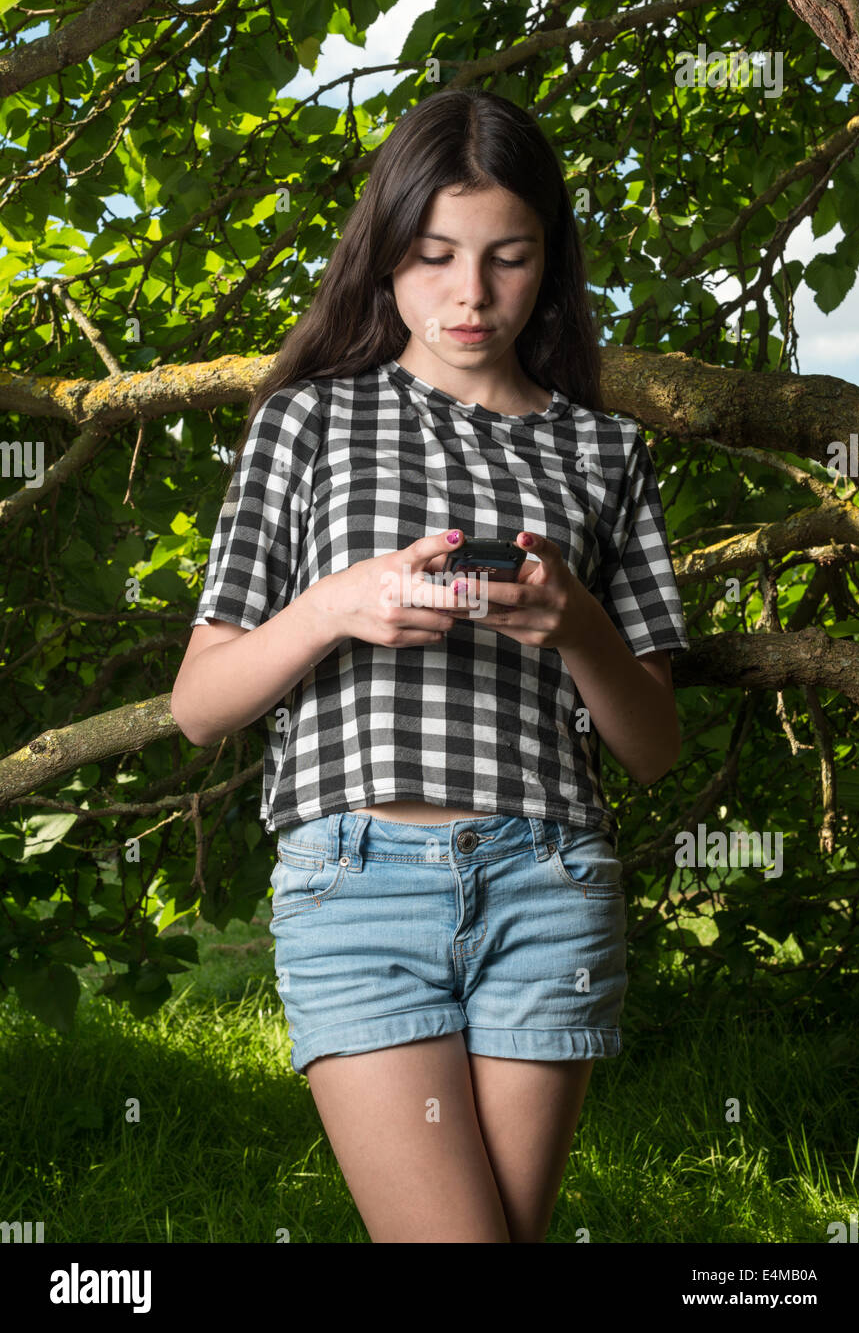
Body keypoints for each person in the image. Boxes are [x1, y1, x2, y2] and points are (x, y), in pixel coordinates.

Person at [171, 89, 689, 1243]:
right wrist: (335, 606)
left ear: (549, 262)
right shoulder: (305, 422)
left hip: (549, 881)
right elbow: (199, 707)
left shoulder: (605, 450)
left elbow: (654, 748)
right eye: (434, 255)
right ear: (384, 255)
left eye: (508, 257)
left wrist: (577, 626)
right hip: (356, 882)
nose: (470, 293)